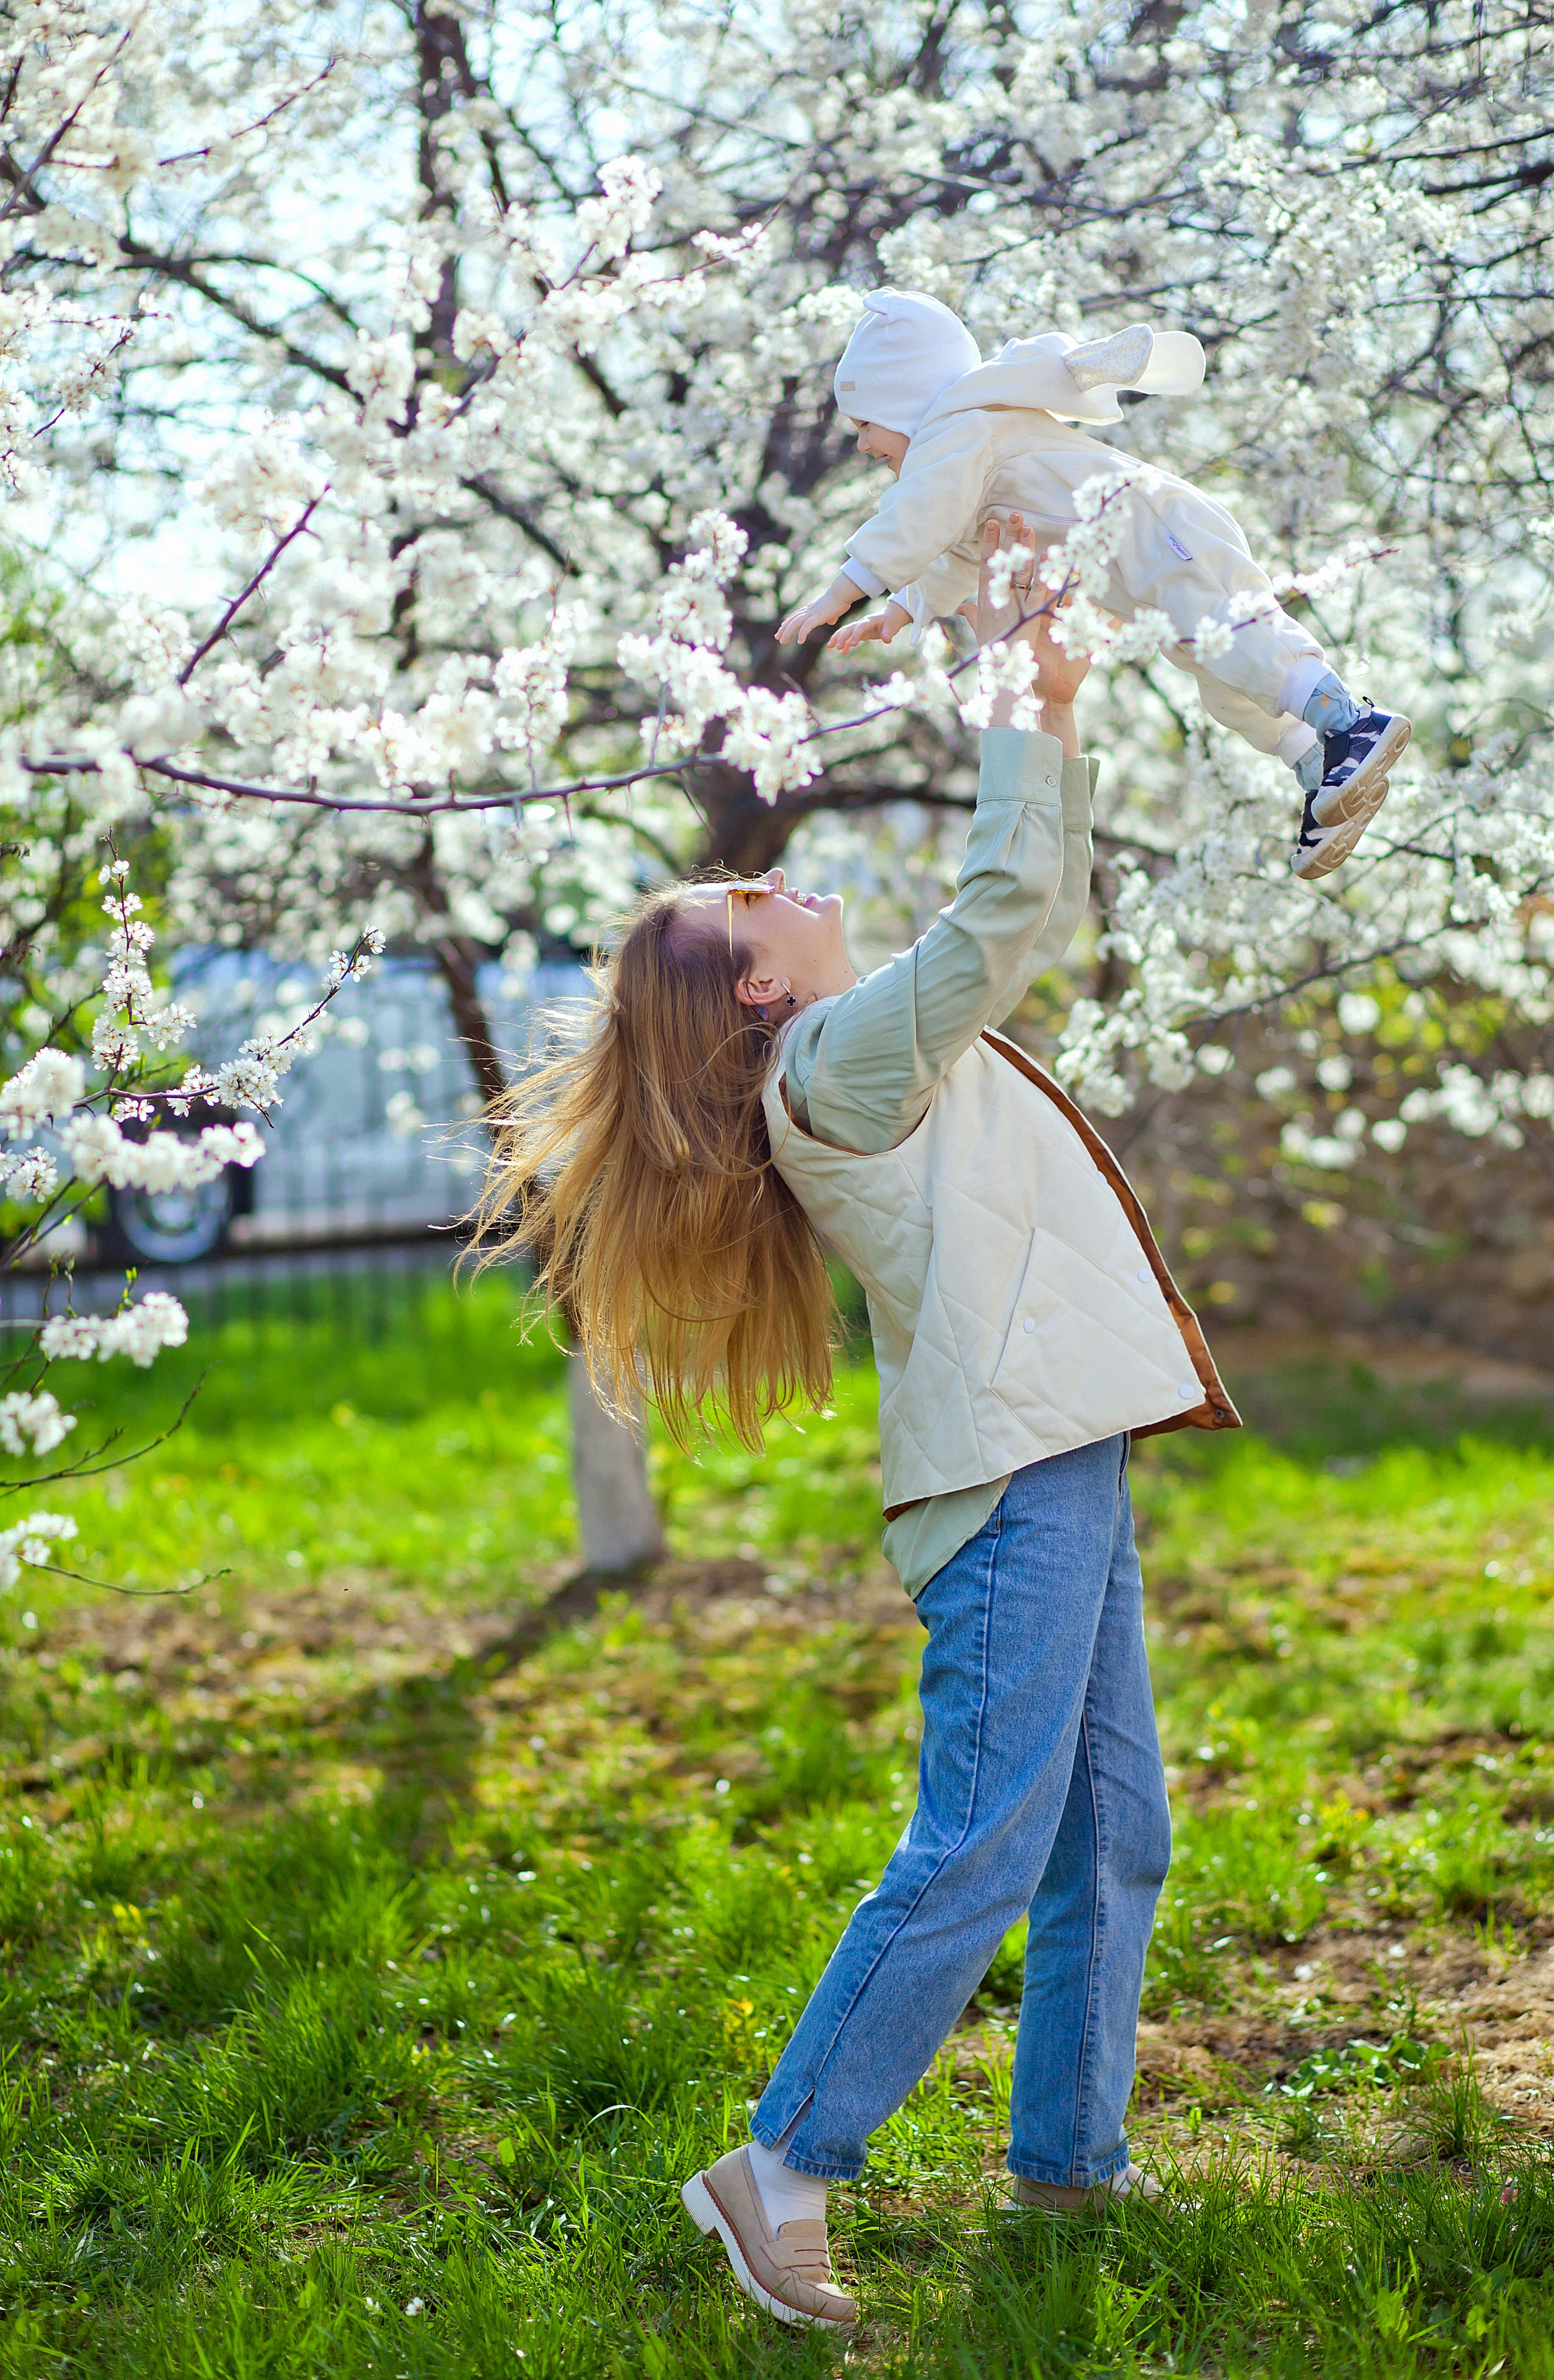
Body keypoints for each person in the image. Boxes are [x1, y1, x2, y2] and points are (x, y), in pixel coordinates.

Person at [475, 522, 1240, 2337]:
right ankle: (784, 2161)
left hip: (1059, 1446)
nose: (790, 883)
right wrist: (1023, 700)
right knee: (980, 1836)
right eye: (756, 905)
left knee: (1107, 1832)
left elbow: (999, 921)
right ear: (755, 987)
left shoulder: (844, 1054)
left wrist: (1039, 693)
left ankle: (1066, 2159)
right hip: (1008, 1476)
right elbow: (1001, 914)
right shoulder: (838, 1060)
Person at [777, 286, 1411, 883]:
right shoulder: (963, 460)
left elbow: (916, 517)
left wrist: (845, 589)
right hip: (1142, 568)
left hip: (1156, 529)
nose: (860, 444)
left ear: (906, 400)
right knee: (1222, 675)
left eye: (864, 423)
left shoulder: (958, 427)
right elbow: (952, 546)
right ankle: (1322, 771)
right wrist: (905, 610)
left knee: (1231, 633)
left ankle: (1347, 721)